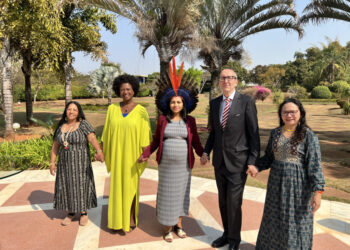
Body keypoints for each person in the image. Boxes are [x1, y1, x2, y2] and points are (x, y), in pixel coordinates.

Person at [138, 57, 204, 242]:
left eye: (179, 102)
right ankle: (167, 228)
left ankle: (179, 225)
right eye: (173, 102)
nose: (176, 105)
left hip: (184, 166)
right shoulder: (162, 120)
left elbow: (196, 142)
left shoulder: (190, 121)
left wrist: (203, 154)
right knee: (168, 194)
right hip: (166, 166)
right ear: (169, 103)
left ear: (184, 103)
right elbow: (155, 142)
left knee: (182, 193)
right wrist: (145, 154)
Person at [248, 98, 325, 250]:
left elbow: (315, 165)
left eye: (293, 112)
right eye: (285, 112)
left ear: (300, 113)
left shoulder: (308, 136)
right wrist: (256, 167)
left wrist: (318, 192)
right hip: (276, 185)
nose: (289, 115)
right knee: (274, 219)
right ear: (281, 114)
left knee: (296, 221)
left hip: (299, 188)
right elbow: (269, 157)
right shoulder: (275, 133)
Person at [201, 69, 260, 250]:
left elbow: (254, 135)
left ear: (236, 81)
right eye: (223, 78)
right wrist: (206, 151)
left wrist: (252, 160)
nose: (226, 81)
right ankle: (226, 234)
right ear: (219, 82)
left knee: (234, 202)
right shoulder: (215, 103)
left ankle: (234, 240)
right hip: (219, 162)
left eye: (230, 78)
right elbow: (214, 132)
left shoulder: (246, 102)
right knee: (223, 201)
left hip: (238, 162)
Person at [101, 74, 152, 232]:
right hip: (117, 156)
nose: (125, 92)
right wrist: (101, 151)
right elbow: (106, 133)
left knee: (131, 188)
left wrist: (145, 154)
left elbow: (145, 134)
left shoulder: (141, 111)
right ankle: (117, 221)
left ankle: (130, 217)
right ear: (118, 91)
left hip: (132, 157)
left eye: (128, 89)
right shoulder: (112, 109)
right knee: (116, 189)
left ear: (134, 90)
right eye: (122, 89)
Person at [50, 101, 104, 226]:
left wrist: (99, 151)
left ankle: (83, 213)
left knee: (81, 186)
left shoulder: (83, 124)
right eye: (69, 109)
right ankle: (70, 212)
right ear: (66, 111)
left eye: (74, 109)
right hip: (65, 164)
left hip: (81, 163)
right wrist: (52, 163)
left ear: (78, 112)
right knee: (67, 186)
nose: (71, 112)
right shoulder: (61, 127)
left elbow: (92, 138)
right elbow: (55, 146)